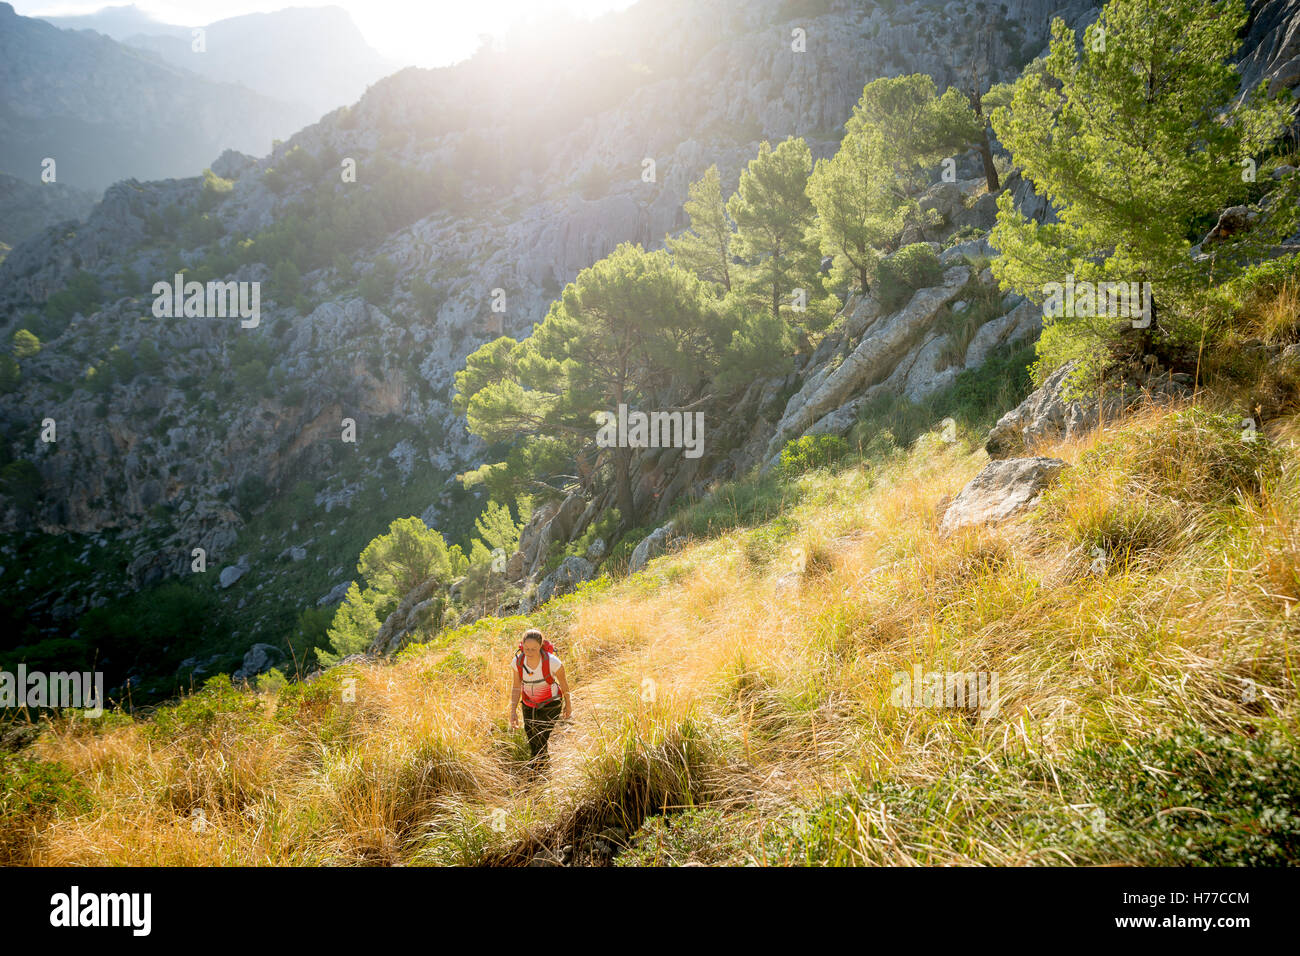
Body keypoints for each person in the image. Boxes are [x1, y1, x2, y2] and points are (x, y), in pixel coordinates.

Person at [508, 629, 571, 769]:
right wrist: (513, 711)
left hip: (551, 703)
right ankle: (542, 768)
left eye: (534, 649)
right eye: (526, 649)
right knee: (532, 739)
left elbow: (564, 684)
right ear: (522, 646)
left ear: (541, 646)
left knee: (540, 739)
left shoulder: (552, 662)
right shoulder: (517, 662)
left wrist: (568, 705)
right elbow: (516, 687)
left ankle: (536, 772)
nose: (529, 653)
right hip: (528, 704)